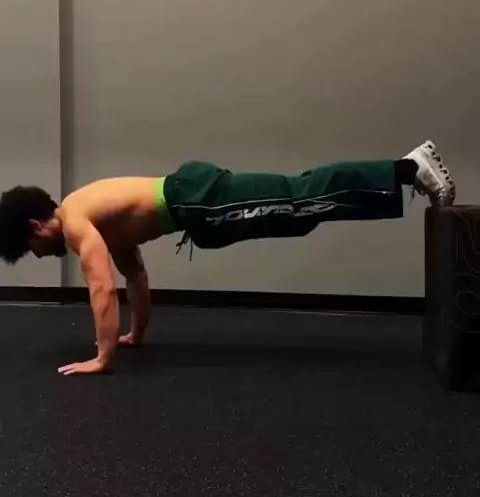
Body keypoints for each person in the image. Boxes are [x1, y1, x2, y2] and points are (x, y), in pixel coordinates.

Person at [0, 140, 455, 376]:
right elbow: (133, 275)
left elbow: (101, 287)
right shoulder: (97, 218)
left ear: (35, 226)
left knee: (300, 198)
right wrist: (134, 334)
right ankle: (404, 172)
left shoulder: (77, 220)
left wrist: (102, 357)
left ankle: (407, 169)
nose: (38, 256)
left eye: (29, 249)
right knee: (298, 209)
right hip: (198, 203)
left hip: (200, 199)